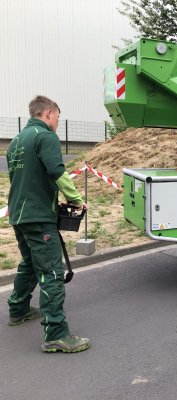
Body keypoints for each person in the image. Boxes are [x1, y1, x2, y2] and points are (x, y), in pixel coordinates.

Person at [6, 95, 90, 353]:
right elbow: (57, 172)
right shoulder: (46, 137)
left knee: (30, 263)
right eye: (57, 117)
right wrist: (76, 200)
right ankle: (56, 333)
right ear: (49, 113)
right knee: (52, 272)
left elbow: (27, 179)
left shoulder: (16, 142)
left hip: (18, 216)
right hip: (39, 218)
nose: (57, 122)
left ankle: (18, 309)